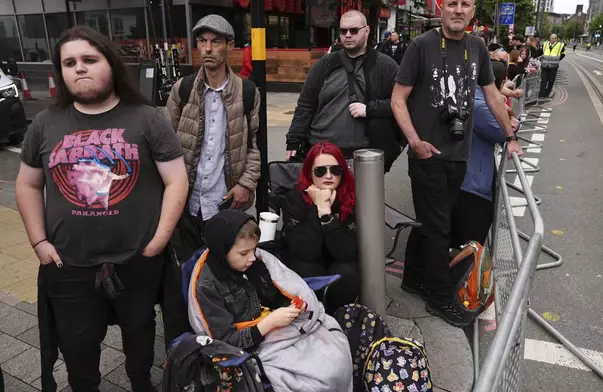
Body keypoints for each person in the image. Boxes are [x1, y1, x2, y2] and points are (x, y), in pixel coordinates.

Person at [16, 26, 188, 391]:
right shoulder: (46, 123)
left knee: (140, 340)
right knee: (78, 353)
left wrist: (158, 241)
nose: (79, 68)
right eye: (69, 62)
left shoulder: (146, 118)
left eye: (89, 59)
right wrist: (39, 243)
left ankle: (142, 384)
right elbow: (28, 184)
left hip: (137, 261)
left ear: (109, 63)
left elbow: (177, 179)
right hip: (69, 264)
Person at [391, 0, 523, 327]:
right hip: (426, 156)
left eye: (465, 4)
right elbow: (398, 98)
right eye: (452, 3)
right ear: (441, 9)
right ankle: (440, 297)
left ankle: (413, 277)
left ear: (473, 11)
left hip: (458, 156)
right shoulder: (421, 45)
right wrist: (414, 141)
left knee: (432, 222)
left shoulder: (477, 47)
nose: (458, 10)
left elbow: (492, 95)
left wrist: (510, 137)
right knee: (439, 230)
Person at [187, 209, 353, 391]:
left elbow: (279, 289)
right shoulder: (207, 288)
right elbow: (224, 343)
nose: (252, 257)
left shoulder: (254, 261)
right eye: (244, 253)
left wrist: (294, 305)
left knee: (337, 356)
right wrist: (268, 323)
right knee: (321, 375)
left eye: (254, 249)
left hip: (282, 328)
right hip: (253, 345)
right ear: (223, 251)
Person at [165, 14, 261, 261]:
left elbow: (253, 146)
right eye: (202, 41)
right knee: (187, 268)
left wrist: (245, 185)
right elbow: (163, 144)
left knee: (222, 268)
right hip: (186, 200)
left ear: (229, 46)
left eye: (215, 42)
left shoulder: (248, 93)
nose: (207, 49)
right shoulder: (183, 89)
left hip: (224, 200)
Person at [286, 10, 402, 172]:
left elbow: (403, 104)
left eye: (354, 30)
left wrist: (370, 109)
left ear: (367, 30)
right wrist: (294, 140)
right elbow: (306, 104)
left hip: (366, 153)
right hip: (322, 150)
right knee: (323, 197)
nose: (347, 35)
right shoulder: (325, 65)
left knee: (365, 198)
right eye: (343, 31)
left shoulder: (385, 66)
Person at [280, 142, 360, 313]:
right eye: (320, 171)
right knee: (307, 266)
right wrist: (318, 207)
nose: (329, 176)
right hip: (307, 259)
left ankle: (337, 314)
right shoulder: (295, 198)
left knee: (347, 270)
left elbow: (345, 253)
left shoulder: (350, 196)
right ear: (310, 173)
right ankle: (312, 313)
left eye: (335, 170)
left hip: (337, 260)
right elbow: (307, 252)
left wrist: (326, 213)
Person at [451, 60, 518, 248]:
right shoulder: (479, 105)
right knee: (470, 241)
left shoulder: (471, 96)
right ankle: (466, 275)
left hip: (467, 178)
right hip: (472, 184)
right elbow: (501, 131)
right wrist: (513, 125)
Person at [539, 33, 565, 99]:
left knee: (551, 81)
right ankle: (541, 95)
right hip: (545, 66)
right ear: (550, 38)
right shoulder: (545, 44)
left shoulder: (560, 45)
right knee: (543, 80)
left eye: (555, 38)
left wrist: (557, 60)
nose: (553, 39)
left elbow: (563, 54)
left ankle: (547, 94)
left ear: (556, 39)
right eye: (552, 38)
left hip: (553, 67)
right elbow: (540, 52)